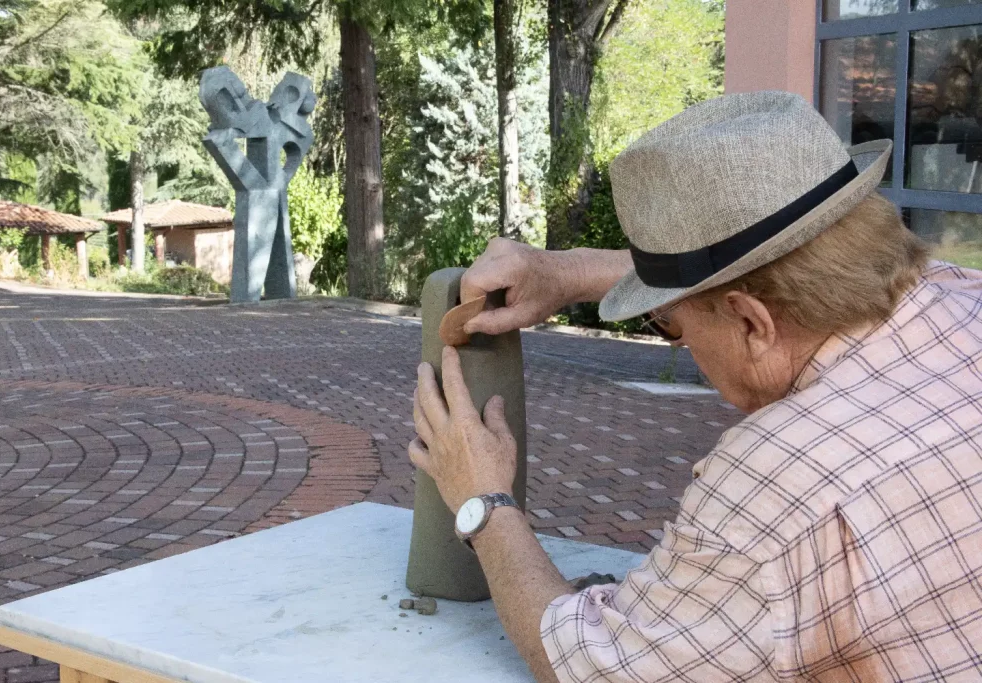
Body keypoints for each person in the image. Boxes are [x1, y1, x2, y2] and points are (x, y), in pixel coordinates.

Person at [409, 91, 982, 682]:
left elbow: (593, 667)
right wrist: (569, 272)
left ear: (752, 324)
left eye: (668, 321)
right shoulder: (962, 296)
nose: (676, 341)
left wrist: (484, 500)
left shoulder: (775, 485)